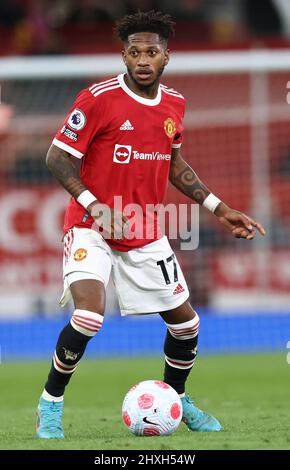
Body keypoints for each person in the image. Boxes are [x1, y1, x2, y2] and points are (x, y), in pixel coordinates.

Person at [36, 10, 265, 438]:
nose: (143, 59)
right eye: (135, 52)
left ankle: (177, 398)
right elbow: (56, 156)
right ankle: (50, 402)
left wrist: (218, 207)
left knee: (187, 324)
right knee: (89, 315)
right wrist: (94, 204)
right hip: (91, 223)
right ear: (123, 55)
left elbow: (174, 163)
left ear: (166, 57)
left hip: (144, 228)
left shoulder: (175, 103)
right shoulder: (98, 98)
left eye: (152, 52)